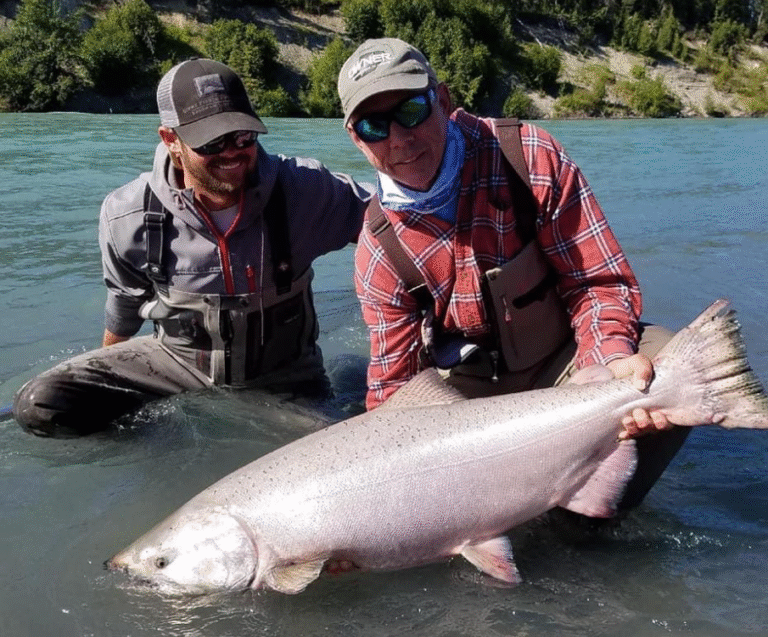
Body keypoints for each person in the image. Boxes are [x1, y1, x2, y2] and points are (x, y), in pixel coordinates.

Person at [338, 38, 689, 512]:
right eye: (375, 125)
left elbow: (597, 282)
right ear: (356, 138)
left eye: (412, 110)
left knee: (670, 367)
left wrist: (607, 365)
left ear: (441, 101)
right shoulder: (379, 250)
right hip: (473, 395)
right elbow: (395, 392)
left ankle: (590, 527)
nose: (399, 138)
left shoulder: (526, 157)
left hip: (567, 362)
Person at [13, 58, 371, 438]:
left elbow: (394, 227)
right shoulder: (126, 214)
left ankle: (347, 379)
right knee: (41, 404)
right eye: (212, 141)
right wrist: (111, 392)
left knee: (343, 442)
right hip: (175, 366)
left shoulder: (306, 189)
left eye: (243, 136)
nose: (233, 152)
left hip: (284, 380)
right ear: (171, 141)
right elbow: (123, 309)